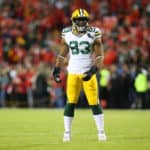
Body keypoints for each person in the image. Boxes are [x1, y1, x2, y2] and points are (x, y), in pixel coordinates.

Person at [52, 8, 107, 142]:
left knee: (94, 103)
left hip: (88, 71)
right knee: (70, 102)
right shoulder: (66, 33)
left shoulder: (94, 32)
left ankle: (101, 132)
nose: (82, 23)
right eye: (79, 20)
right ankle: (67, 133)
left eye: (84, 20)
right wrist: (57, 68)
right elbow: (62, 52)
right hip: (72, 72)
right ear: (73, 21)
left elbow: (100, 55)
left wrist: (94, 70)